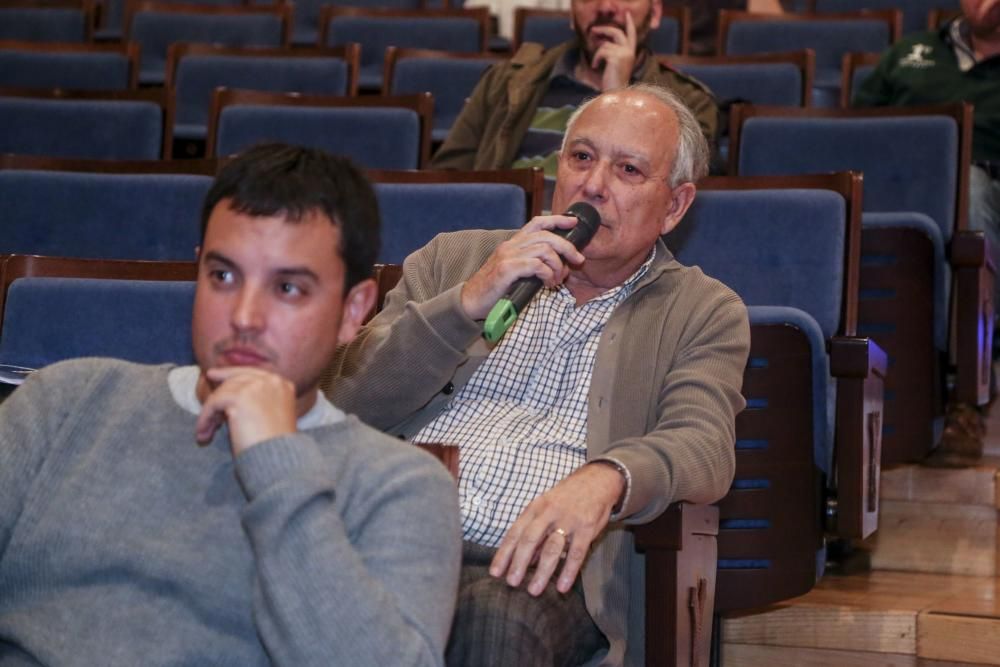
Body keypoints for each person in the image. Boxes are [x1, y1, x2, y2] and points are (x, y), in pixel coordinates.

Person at [326, 84, 750, 666]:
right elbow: (344, 400)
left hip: (541, 575)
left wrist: (608, 477)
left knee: (492, 622)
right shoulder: (456, 259)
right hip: (393, 543)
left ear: (675, 206)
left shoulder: (703, 311)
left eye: (627, 169)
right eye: (580, 157)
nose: (593, 184)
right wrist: (466, 305)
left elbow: (703, 446)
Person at [0, 144, 462, 666]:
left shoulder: (400, 487)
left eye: (287, 287)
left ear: (353, 311)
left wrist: (276, 461)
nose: (244, 315)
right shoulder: (67, 403)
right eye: (223, 277)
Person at [853, 0, 1000, 467]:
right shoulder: (912, 50)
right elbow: (851, 129)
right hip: (899, 191)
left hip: (984, 193)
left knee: (971, 192)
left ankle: (964, 390)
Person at [429, 0, 719, 205]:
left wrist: (617, 95)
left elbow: (679, 207)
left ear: (654, 14)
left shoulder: (689, 104)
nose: (606, 6)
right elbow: (444, 183)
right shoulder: (507, 81)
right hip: (505, 245)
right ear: (571, 12)